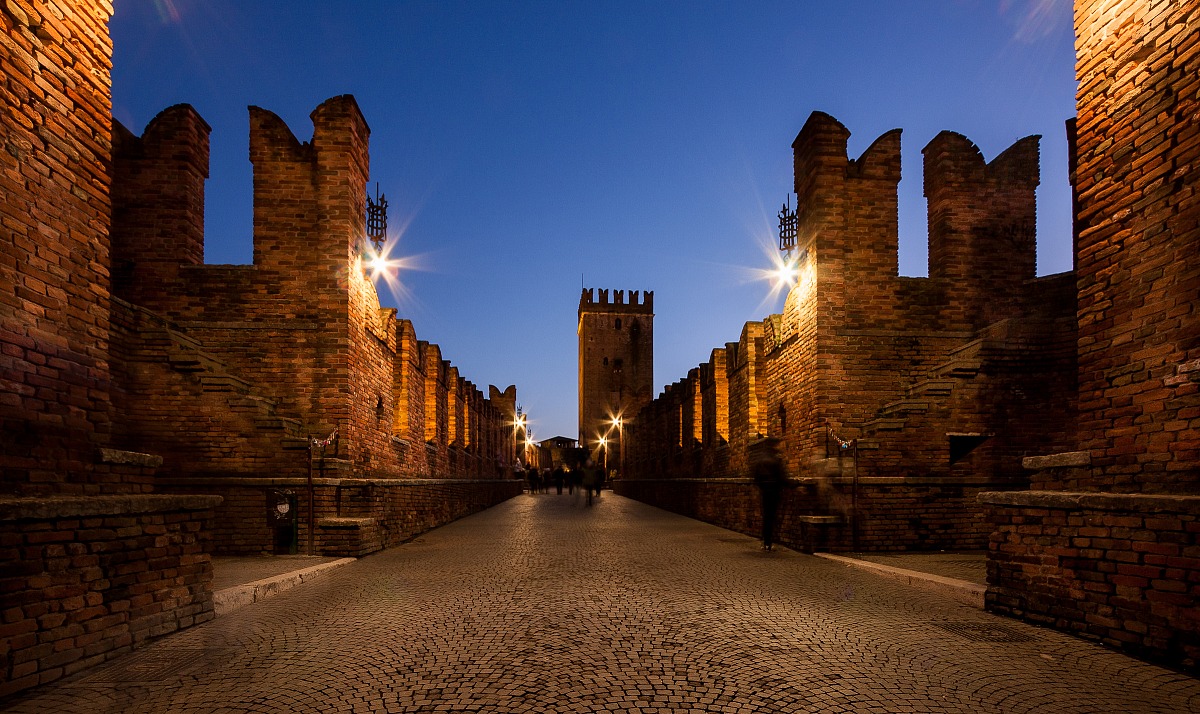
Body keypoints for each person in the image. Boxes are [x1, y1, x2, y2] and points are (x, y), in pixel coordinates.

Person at [750, 437, 785, 551]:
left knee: (767, 516)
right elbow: (782, 476)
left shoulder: (761, 459)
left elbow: (755, 477)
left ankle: (766, 541)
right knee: (772, 516)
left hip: (765, 491)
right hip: (774, 490)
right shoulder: (775, 459)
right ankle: (769, 541)